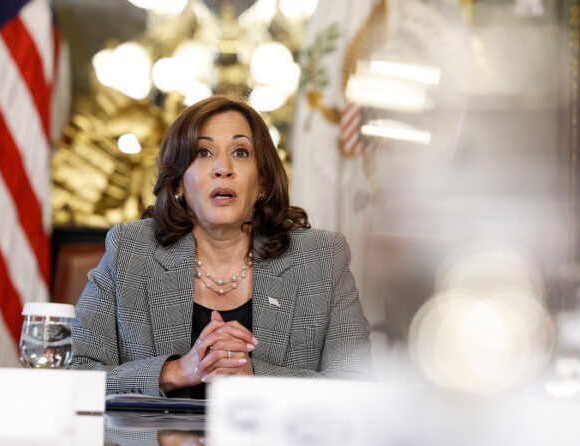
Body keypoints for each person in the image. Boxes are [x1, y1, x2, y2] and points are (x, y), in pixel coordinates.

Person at [70, 96, 371, 398]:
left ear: (263, 180)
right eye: (203, 152)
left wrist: (255, 376)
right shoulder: (131, 250)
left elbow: (355, 389)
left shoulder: (321, 258)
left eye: (240, 152)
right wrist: (176, 372)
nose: (222, 168)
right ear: (178, 184)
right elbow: (74, 375)